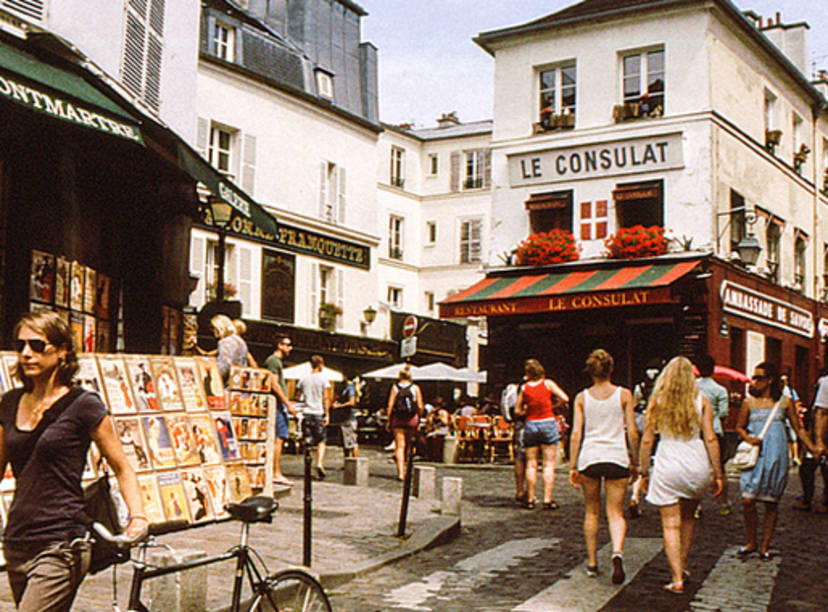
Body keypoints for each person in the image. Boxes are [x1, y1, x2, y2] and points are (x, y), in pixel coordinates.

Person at [0, 311, 147, 611]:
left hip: (62, 542)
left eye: (38, 345)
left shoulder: (83, 405)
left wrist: (138, 517)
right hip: (17, 540)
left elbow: (121, 466)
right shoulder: (10, 403)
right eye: (21, 345)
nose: (27, 353)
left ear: (63, 350)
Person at [638, 356, 722, 594]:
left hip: (668, 462)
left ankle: (676, 578)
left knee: (670, 525)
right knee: (688, 519)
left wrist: (643, 471)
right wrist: (718, 473)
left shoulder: (658, 401)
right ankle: (683, 565)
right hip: (696, 462)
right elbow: (711, 438)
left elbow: (647, 440)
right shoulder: (702, 401)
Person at [736, 361, 819, 559]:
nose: (754, 381)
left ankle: (764, 545)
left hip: (776, 453)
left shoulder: (785, 402)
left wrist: (813, 447)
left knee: (771, 502)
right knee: (748, 500)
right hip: (755, 454)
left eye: (758, 377)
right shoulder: (748, 402)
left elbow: (798, 428)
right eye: (753, 377)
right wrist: (749, 438)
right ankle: (751, 540)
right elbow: (740, 427)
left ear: (769, 380)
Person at [569, 349, 638, 583]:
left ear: (590, 372)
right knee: (616, 513)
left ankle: (591, 561)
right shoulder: (624, 395)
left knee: (591, 511)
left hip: (590, 457)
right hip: (617, 457)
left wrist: (573, 464)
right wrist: (635, 461)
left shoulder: (581, 398)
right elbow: (633, 431)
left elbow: (576, 433)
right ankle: (616, 552)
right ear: (611, 369)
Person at [514, 359, 568, 511]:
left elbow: (517, 410)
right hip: (547, 422)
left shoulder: (524, 388)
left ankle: (530, 498)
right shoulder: (548, 384)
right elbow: (565, 398)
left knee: (531, 464)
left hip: (531, 424)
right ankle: (547, 498)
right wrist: (553, 406)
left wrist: (527, 410)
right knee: (548, 464)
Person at [695, 353, 731, 515]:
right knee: (720, 469)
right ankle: (723, 503)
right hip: (715, 431)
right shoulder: (720, 390)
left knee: (696, 469)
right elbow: (724, 413)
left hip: (696, 432)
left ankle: (697, 505)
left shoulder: (692, 387)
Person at [628, 358, 661, 518]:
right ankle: (641, 494)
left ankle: (634, 495)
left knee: (640, 462)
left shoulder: (639, 387)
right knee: (650, 462)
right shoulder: (661, 389)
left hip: (639, 423)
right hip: (655, 426)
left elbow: (633, 406)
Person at [264, 336, 297, 486]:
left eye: (290, 345)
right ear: (279, 345)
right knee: (279, 438)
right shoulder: (273, 361)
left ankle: (275, 471)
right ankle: (275, 472)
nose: (290, 348)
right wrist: (287, 403)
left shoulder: (276, 362)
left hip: (279, 404)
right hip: (276, 404)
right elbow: (274, 384)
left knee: (280, 437)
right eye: (287, 345)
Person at [297, 355, 332, 480]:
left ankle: (309, 468)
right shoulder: (323, 379)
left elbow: (298, 395)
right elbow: (326, 398)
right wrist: (327, 414)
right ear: (321, 364)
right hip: (318, 413)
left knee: (308, 441)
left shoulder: (303, 379)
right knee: (321, 440)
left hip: (306, 413)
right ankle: (319, 463)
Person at [385, 367, 424, 481]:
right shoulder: (415, 388)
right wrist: (419, 418)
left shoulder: (395, 388)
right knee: (409, 445)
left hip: (398, 419)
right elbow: (420, 405)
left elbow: (390, 405)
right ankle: (407, 470)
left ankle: (401, 473)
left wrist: (388, 420)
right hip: (412, 419)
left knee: (399, 447)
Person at [193, 314, 248, 386]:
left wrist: (214, 380)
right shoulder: (240, 341)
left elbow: (224, 365)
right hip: (239, 382)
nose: (212, 331)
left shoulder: (224, 342)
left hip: (228, 385)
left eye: (213, 328)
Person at [333, 376, 359, 464]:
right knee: (345, 442)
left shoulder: (351, 388)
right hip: (344, 417)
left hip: (349, 417)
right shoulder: (346, 388)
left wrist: (339, 406)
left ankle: (355, 462)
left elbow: (352, 402)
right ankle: (347, 463)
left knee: (351, 441)